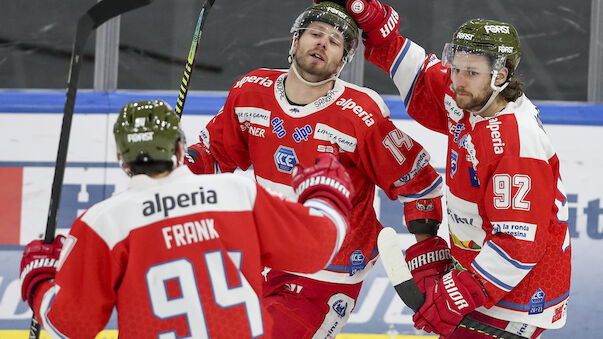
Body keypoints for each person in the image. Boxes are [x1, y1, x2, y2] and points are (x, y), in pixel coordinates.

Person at [184, 1, 443, 337]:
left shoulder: (360, 113)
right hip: (263, 261)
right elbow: (215, 153)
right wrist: (178, 167)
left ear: (344, 59)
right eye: (316, 34)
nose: (323, 43)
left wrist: (428, 253)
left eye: (335, 42)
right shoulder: (251, 91)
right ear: (295, 42)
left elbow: (416, 180)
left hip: (327, 273)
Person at [19, 99, 355, 338]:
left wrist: (39, 282)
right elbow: (318, 247)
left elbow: (70, 327)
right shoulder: (236, 193)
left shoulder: (104, 222)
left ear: (121, 159)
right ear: (181, 149)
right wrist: (325, 193)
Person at [342, 0, 572, 338]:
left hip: (518, 298)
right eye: (456, 68)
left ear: (502, 75)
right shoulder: (472, 94)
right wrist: (375, 25)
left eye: (470, 72)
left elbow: (517, 245)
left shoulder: (516, 143)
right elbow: (419, 73)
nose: (457, 81)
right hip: (480, 280)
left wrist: (455, 294)